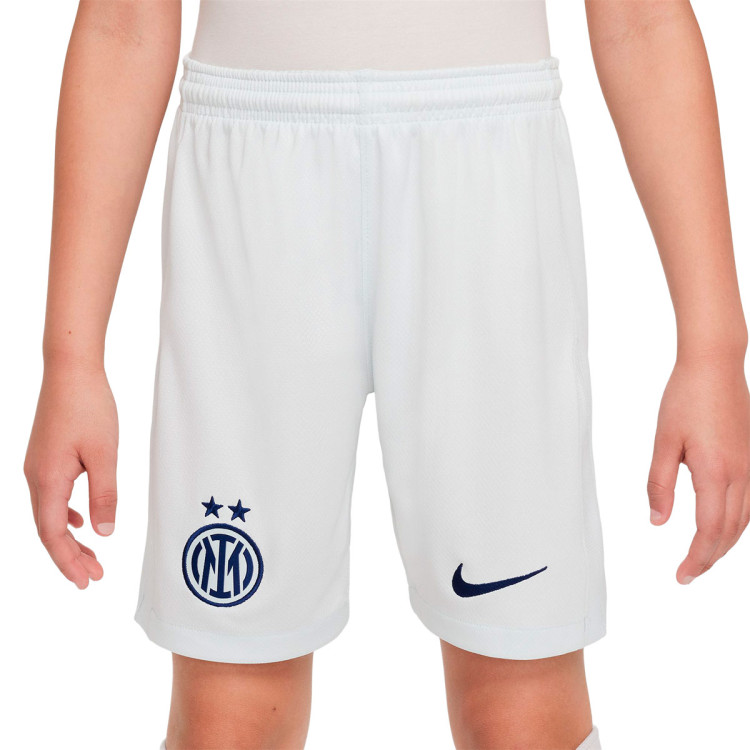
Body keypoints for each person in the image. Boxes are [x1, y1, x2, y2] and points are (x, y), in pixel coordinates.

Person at [24, 1, 750, 749]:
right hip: (252, 187)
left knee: (523, 716)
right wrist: (70, 359)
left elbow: (642, 20)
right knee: (227, 721)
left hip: (485, 180)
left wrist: (714, 346)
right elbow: (123, 22)